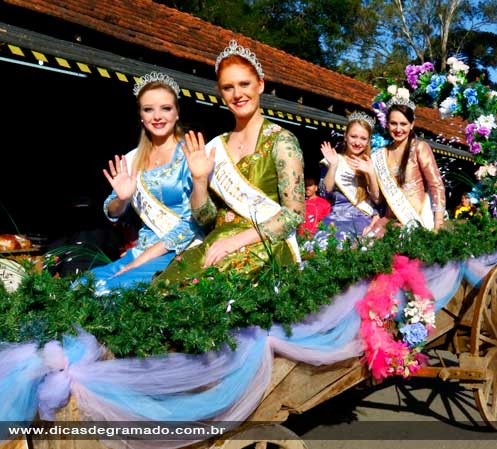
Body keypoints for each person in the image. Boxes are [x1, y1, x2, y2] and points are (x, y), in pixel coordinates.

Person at [156, 40, 304, 282]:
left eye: (244, 84)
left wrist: (235, 242)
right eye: (228, 87)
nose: (237, 94)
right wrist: (200, 180)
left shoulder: (282, 142)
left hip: (264, 244)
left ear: (260, 85)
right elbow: (205, 220)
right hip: (218, 242)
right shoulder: (217, 146)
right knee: (167, 286)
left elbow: (293, 215)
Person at [88, 72, 201, 295]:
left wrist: (138, 262)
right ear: (141, 116)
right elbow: (111, 211)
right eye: (148, 109)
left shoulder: (191, 154)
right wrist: (122, 199)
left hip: (179, 251)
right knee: (82, 287)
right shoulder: (132, 159)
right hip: (142, 249)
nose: (157, 116)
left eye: (165, 108)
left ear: (177, 112)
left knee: (110, 292)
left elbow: (194, 222)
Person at [365, 97, 445, 236]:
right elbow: (378, 199)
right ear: (387, 124)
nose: (398, 129)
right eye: (393, 123)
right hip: (389, 221)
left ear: (412, 124)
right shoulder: (380, 155)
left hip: (417, 219)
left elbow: (436, 185)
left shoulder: (419, 148)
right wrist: (370, 174)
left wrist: (438, 224)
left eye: (403, 124)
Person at [316, 112, 380, 241]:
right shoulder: (334, 159)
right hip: (336, 220)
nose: (357, 142)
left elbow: (377, 200)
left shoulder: (373, 163)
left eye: (363, 138)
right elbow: (324, 193)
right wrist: (333, 165)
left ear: (368, 141)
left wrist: (371, 173)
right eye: (353, 136)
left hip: (363, 221)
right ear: (345, 136)